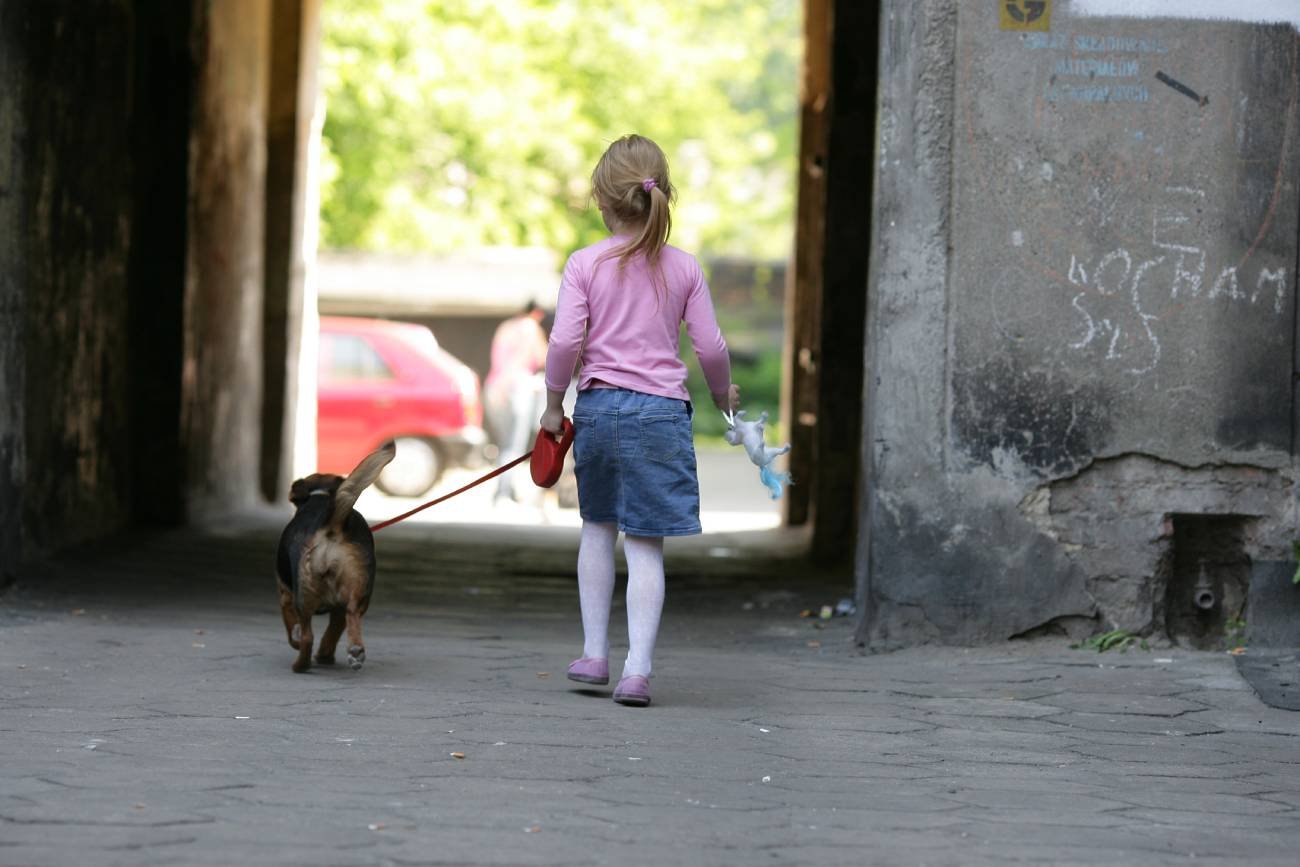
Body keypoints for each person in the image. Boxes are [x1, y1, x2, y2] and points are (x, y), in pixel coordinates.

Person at [540, 134, 739, 707]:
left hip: (600, 410)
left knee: (597, 529)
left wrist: (555, 405)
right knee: (646, 545)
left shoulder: (584, 264)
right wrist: (725, 398)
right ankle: (638, 670)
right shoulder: (684, 268)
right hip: (661, 415)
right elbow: (711, 347)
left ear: (604, 202)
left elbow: (563, 343)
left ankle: (594, 652)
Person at [484, 301, 549, 503]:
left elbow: (497, 361)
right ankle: (503, 491)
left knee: (505, 445)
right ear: (536, 313)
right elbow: (542, 357)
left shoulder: (505, 328)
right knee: (514, 446)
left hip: (493, 388)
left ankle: (506, 488)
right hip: (517, 387)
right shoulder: (530, 328)